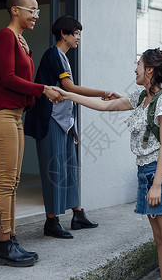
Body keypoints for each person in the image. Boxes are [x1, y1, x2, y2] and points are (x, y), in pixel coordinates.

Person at [53, 48, 162, 279]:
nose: (135, 68)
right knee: (159, 240)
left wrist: (156, 185)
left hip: (159, 175)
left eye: (139, 64)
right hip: (146, 173)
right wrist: (67, 95)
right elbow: (105, 106)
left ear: (150, 70)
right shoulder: (142, 98)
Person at [0, 0, 63, 267]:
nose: (36, 15)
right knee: (6, 183)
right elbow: (8, 79)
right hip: (0, 114)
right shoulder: (5, 35)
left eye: (37, 11)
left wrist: (38, 91)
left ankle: (11, 238)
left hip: (15, 115)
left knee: (13, 183)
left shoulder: (20, 40)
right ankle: (3, 246)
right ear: (15, 10)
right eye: (32, 10)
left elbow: (20, 80)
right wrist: (43, 89)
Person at [24, 16, 106, 239]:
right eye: (76, 33)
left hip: (64, 123)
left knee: (70, 169)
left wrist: (74, 128)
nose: (78, 38)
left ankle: (77, 214)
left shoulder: (62, 57)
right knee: (54, 171)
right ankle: (51, 221)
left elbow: (67, 93)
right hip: (49, 121)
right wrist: (102, 93)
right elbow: (68, 88)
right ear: (64, 34)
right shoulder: (54, 54)